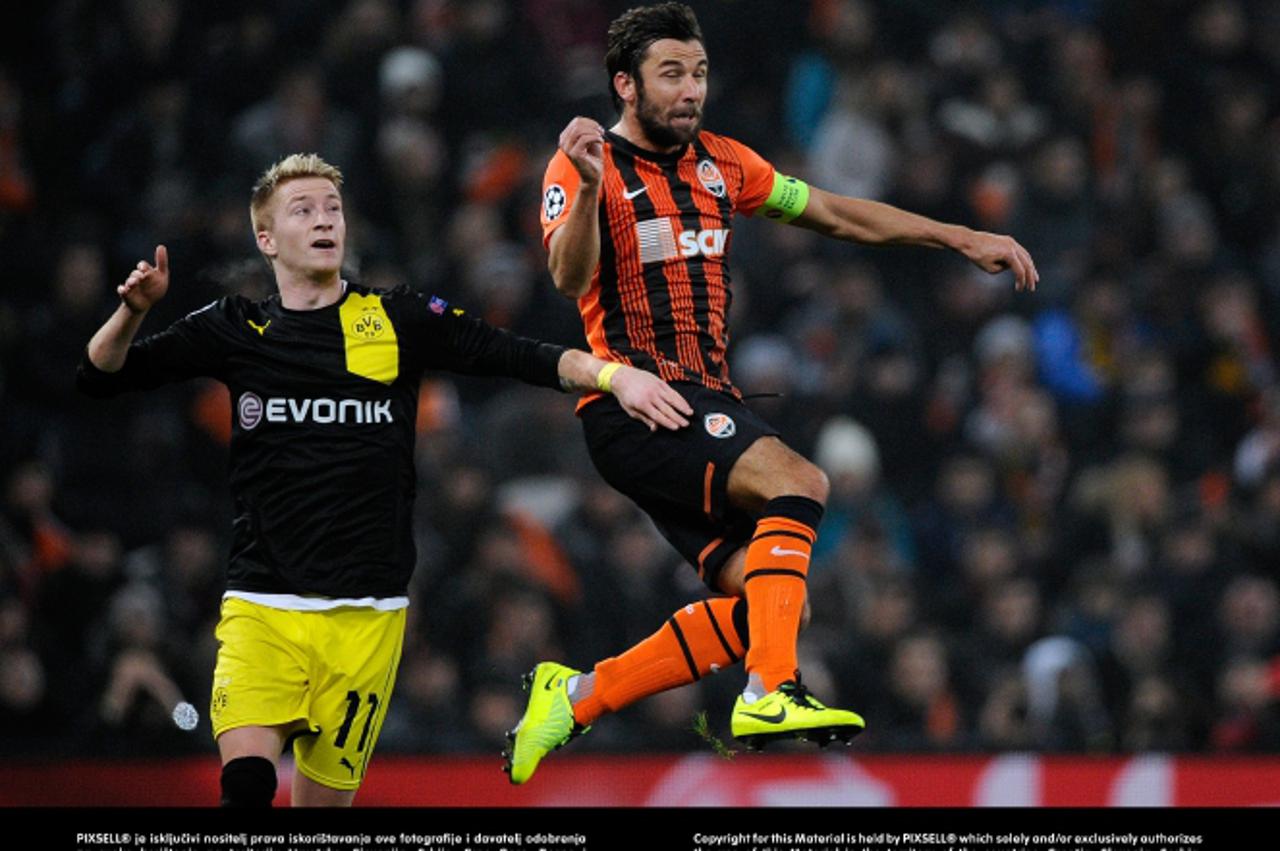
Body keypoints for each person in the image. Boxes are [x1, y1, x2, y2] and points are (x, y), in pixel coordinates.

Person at [505, 2, 1037, 784]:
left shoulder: (724, 163)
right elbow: (568, 277)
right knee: (801, 480)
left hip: (703, 405)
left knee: (775, 602)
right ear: (624, 84)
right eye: (671, 74)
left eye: (700, 72)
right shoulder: (583, 166)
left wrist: (958, 236)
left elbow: (831, 212)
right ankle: (769, 690)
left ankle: (577, 695)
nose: (691, 90)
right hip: (640, 404)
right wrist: (587, 188)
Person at [76, 152, 692, 806]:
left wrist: (612, 374)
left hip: (368, 618)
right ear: (267, 239)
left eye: (332, 208)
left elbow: (513, 354)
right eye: (303, 210)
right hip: (265, 607)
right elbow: (100, 376)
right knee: (248, 785)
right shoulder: (237, 327)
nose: (324, 220)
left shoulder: (397, 318)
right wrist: (133, 312)